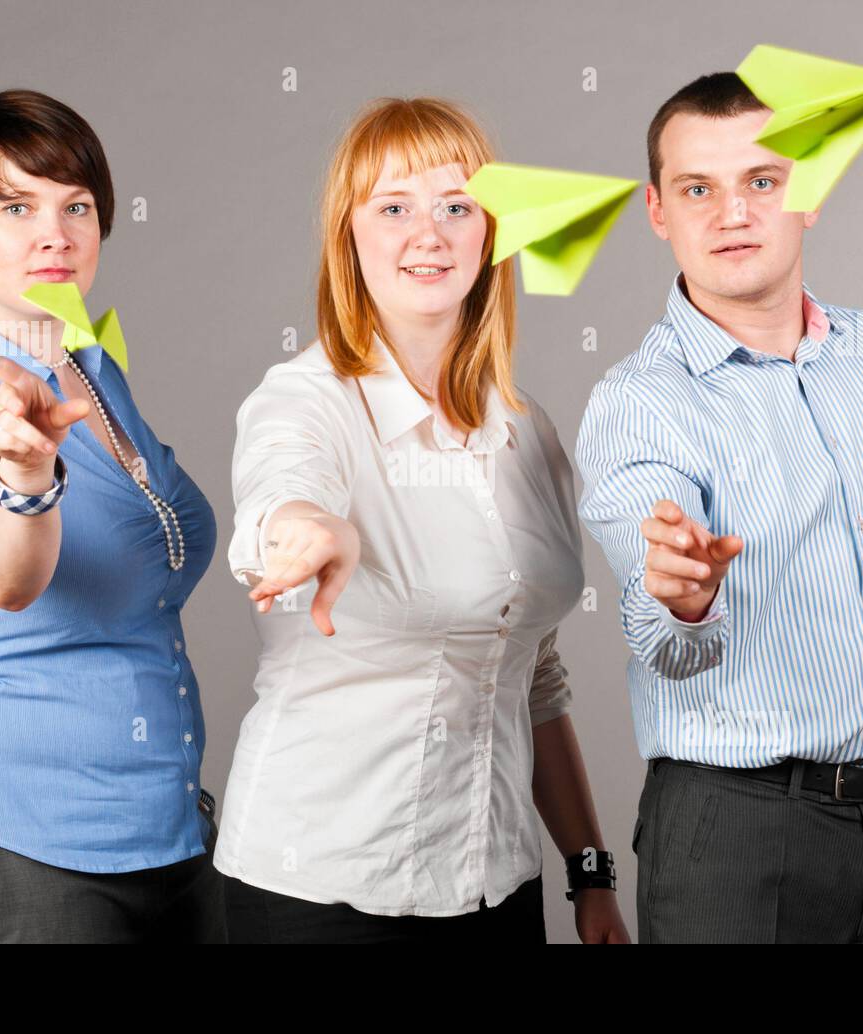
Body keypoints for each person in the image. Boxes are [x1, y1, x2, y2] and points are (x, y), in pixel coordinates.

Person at [575, 72, 863, 944]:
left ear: (806, 192)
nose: (731, 213)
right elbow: (662, 636)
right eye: (697, 188)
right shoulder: (640, 402)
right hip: (738, 841)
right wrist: (683, 596)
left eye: (762, 182)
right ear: (658, 211)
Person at [215, 97, 628, 943]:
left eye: (456, 207)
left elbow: (533, 679)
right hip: (321, 890)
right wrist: (307, 532)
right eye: (393, 208)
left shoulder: (527, 430)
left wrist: (588, 871)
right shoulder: (306, 400)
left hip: (493, 883)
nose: (427, 234)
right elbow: (275, 498)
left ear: (492, 233)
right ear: (349, 236)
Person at [0, 89, 223, 943]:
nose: (56, 232)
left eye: (78, 206)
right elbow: (1, 572)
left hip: (170, 841)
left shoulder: (89, 369)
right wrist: (24, 475)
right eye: (17, 206)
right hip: (13, 848)